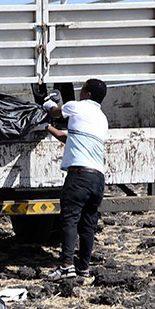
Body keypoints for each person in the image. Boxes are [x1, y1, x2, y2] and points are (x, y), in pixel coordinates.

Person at [43, 78, 109, 281]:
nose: (80, 92)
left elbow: (56, 112)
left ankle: (66, 266)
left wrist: (47, 104)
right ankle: (83, 269)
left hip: (79, 175)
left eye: (83, 89)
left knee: (70, 219)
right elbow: (69, 138)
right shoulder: (102, 118)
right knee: (88, 224)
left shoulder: (76, 107)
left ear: (88, 94)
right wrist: (47, 128)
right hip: (97, 178)